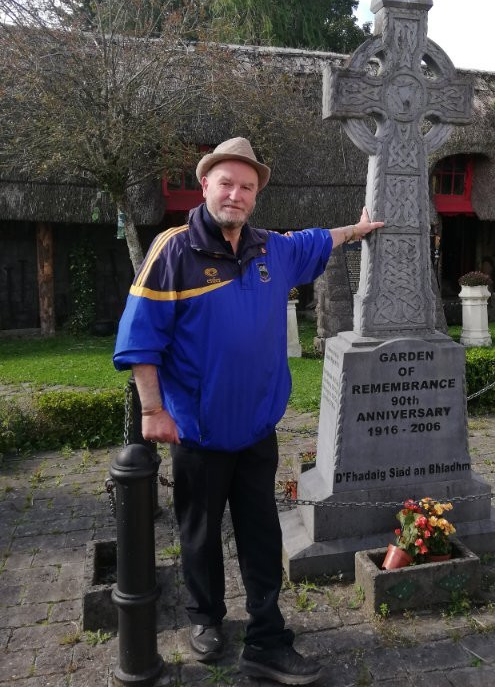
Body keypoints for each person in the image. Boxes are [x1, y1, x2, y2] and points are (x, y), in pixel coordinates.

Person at [113, 137, 383, 685]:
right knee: (200, 533)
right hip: (198, 433)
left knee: (262, 534)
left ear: (256, 195)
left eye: (247, 187)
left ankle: (266, 638)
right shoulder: (172, 251)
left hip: (258, 431)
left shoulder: (270, 249)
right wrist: (152, 412)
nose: (235, 194)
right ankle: (205, 618)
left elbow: (316, 241)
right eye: (226, 183)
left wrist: (355, 231)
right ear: (205, 185)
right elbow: (140, 340)